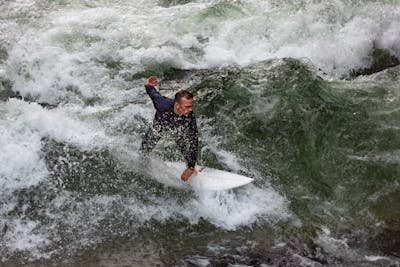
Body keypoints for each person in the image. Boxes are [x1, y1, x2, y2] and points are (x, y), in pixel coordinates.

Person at [140, 76, 198, 181]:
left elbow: (194, 139)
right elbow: (154, 95)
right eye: (187, 106)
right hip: (160, 124)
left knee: (183, 142)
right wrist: (148, 85)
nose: (191, 109)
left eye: (191, 106)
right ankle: (142, 163)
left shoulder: (189, 116)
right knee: (146, 146)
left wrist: (191, 166)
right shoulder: (162, 105)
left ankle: (189, 167)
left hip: (177, 125)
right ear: (177, 105)